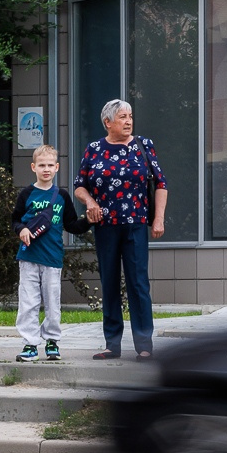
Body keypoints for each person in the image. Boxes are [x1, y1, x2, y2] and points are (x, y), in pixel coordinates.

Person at [72, 99, 167, 360]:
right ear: (108, 123)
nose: (128, 121)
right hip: (105, 226)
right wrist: (90, 202)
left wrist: (158, 219)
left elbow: (161, 183)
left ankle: (144, 345)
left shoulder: (143, 146)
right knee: (110, 283)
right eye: (123, 117)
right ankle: (111, 344)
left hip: (135, 224)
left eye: (130, 116)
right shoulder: (94, 149)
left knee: (138, 283)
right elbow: (79, 185)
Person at [10, 144, 86, 363]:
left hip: (53, 258)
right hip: (28, 257)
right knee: (28, 302)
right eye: (41, 165)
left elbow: (72, 224)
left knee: (53, 302)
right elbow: (15, 219)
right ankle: (30, 343)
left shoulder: (61, 196)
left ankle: (52, 341)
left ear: (57, 167)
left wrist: (89, 220)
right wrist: (22, 229)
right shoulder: (26, 194)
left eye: (50, 165)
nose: (46, 169)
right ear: (33, 167)